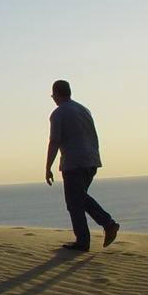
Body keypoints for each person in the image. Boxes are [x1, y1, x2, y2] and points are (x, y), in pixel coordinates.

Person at [45, 80, 118, 251]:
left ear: (55, 95)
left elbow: (54, 141)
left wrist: (48, 166)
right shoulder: (83, 109)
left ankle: (89, 237)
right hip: (91, 160)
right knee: (79, 198)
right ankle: (105, 226)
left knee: (74, 202)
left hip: (74, 162)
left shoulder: (58, 113)